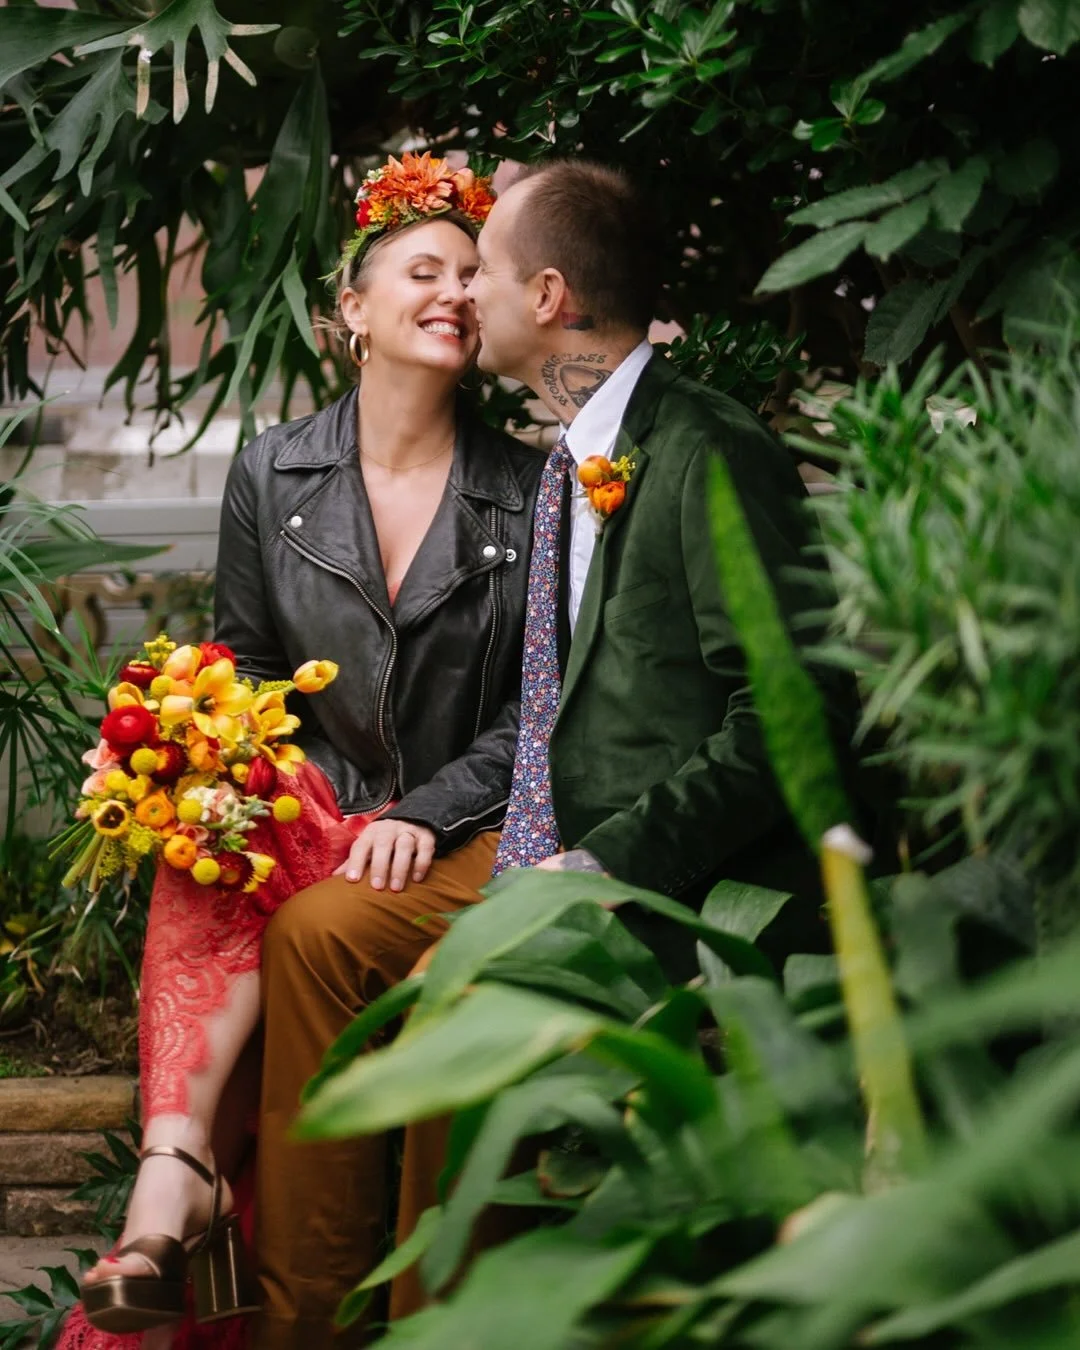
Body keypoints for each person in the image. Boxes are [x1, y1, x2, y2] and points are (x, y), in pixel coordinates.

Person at [254, 159, 857, 1346]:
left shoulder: (704, 448)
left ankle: (452, 1329)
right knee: (313, 937)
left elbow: (790, 718)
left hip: (652, 878)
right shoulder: (573, 454)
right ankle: (307, 1325)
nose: (462, 296)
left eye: (478, 272)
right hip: (533, 844)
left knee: (458, 1004)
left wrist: (609, 859)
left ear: (550, 294)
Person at [61, 152, 542, 1350]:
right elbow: (246, 669)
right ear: (351, 315)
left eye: (471, 277)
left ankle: (178, 1195)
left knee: (254, 873)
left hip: (453, 834)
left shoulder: (531, 494)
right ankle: (179, 1177)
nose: (452, 293)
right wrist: (187, 768)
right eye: (421, 271)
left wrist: (424, 810)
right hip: (311, 813)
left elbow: (532, 719)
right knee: (200, 828)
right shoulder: (272, 469)